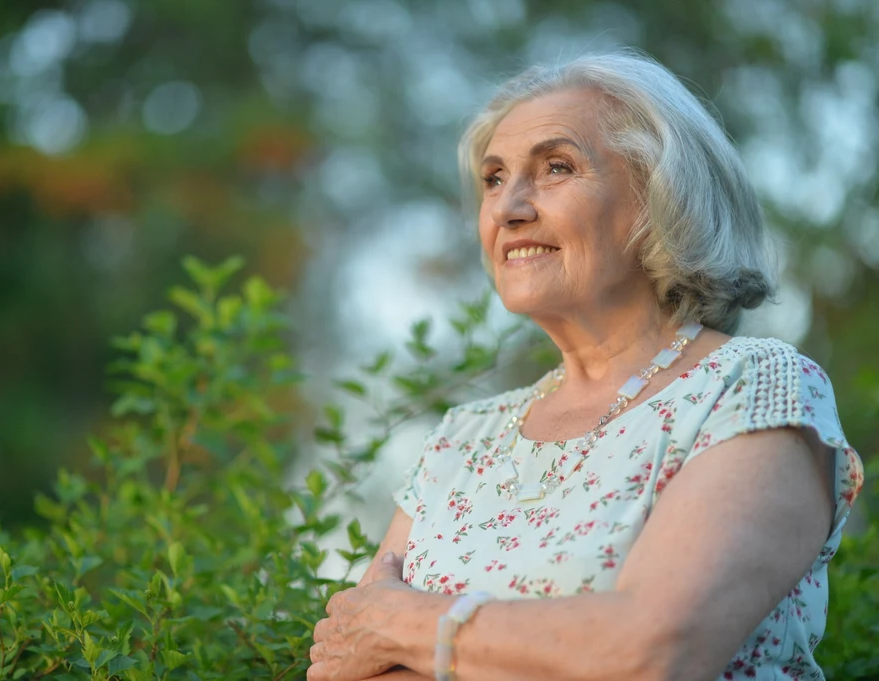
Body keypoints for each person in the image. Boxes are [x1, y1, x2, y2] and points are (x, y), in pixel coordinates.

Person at [306, 50, 865, 681]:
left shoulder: (751, 386)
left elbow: (652, 652)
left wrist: (406, 625)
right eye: (493, 179)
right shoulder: (462, 439)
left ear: (661, 198)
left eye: (556, 168)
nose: (509, 207)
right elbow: (343, 660)